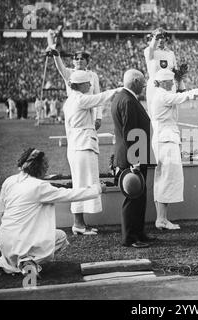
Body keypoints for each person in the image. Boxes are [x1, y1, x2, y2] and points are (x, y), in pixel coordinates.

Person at [0, 148, 106, 278]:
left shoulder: (9, 181)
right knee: (61, 236)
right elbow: (70, 195)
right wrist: (97, 189)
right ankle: (26, 263)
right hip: (21, 240)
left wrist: (1, 235)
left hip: (4, 241)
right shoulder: (39, 187)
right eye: (45, 165)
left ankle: (0, 264)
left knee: (17, 247)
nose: (47, 167)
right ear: (39, 167)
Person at [150, 68, 198, 231]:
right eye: (170, 81)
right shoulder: (163, 95)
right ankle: (162, 219)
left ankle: (161, 218)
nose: (172, 83)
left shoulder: (159, 93)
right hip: (166, 139)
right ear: (164, 82)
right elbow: (184, 96)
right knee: (167, 178)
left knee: (163, 178)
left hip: (164, 138)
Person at [63, 70, 120, 235]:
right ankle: (78, 224)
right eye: (88, 83)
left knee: (82, 184)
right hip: (82, 146)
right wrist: (118, 90)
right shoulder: (79, 99)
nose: (90, 85)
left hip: (80, 146)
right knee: (81, 185)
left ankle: (80, 223)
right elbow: (99, 98)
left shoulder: (74, 99)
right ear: (80, 84)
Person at [110, 69, 154, 248]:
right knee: (133, 196)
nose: (144, 85)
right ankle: (130, 237)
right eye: (142, 82)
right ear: (135, 81)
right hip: (132, 156)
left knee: (139, 195)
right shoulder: (127, 100)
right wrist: (134, 160)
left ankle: (139, 233)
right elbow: (130, 133)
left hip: (134, 154)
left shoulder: (123, 97)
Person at [47, 31, 103, 131]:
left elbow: (98, 96)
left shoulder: (93, 75)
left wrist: (98, 117)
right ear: (73, 61)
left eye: (82, 59)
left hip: (89, 110)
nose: (79, 61)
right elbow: (60, 67)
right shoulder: (69, 73)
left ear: (87, 62)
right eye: (76, 59)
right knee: (73, 135)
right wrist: (56, 56)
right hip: (74, 109)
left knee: (88, 137)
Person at [144, 28, 180, 114]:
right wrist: (155, 37)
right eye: (158, 37)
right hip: (155, 87)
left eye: (163, 37)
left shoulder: (171, 53)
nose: (161, 40)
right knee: (154, 116)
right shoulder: (149, 51)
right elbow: (151, 48)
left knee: (171, 115)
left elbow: (175, 71)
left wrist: (180, 82)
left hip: (169, 88)